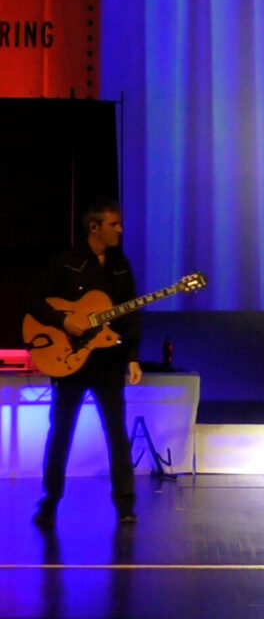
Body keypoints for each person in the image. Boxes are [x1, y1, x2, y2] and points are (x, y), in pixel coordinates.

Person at [27, 197, 142, 525]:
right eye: (113, 224)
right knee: (61, 430)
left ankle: (125, 505)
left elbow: (130, 316)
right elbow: (34, 301)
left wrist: (132, 358)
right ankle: (50, 501)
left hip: (108, 361)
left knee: (117, 433)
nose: (119, 230)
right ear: (94, 227)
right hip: (70, 360)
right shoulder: (66, 262)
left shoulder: (120, 265)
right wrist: (64, 321)